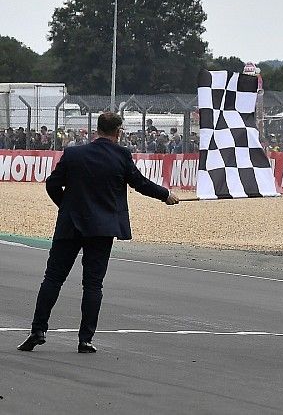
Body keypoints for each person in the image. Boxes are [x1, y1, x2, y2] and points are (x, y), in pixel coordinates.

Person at [17, 112, 180, 354]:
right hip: (102, 228)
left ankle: (38, 330)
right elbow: (140, 183)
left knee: (53, 278)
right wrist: (165, 195)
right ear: (119, 132)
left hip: (70, 224)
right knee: (93, 284)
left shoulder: (74, 154)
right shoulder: (121, 155)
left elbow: (52, 184)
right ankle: (85, 339)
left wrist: (67, 207)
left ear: (97, 129)